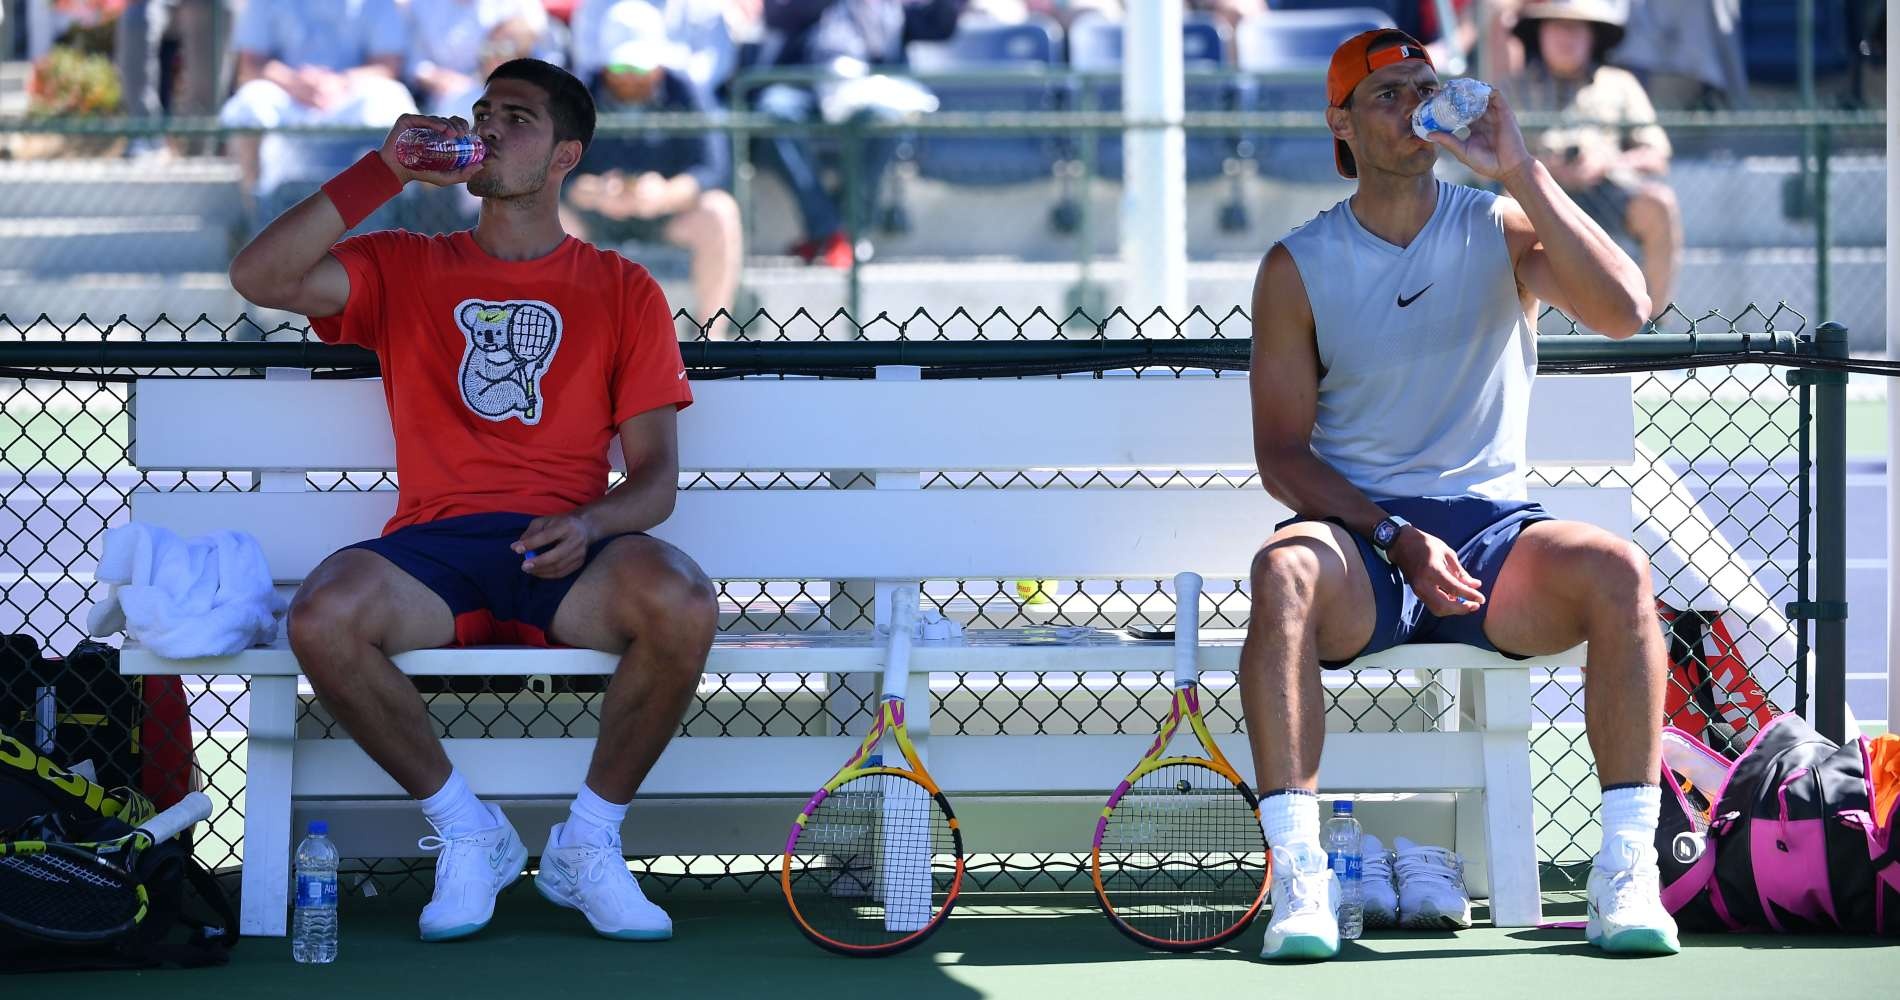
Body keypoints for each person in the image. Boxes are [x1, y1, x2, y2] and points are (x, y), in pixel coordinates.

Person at [227, 57, 716, 943]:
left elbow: (654, 482)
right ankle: (468, 830)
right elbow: (259, 277)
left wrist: (592, 522)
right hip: (438, 547)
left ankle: (588, 845)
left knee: (681, 600)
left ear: (564, 154)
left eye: (516, 118)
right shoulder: (407, 264)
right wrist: (385, 171)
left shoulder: (623, 288)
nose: (486, 128)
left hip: (566, 550)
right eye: (481, 110)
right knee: (322, 618)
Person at [1243, 29, 1677, 961]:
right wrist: (1394, 533)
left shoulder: (1498, 223)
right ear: (1341, 125)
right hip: (1363, 544)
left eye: (1425, 89)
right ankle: (1300, 880)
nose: (1413, 109)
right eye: (1388, 94)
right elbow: (1282, 456)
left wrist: (1517, 164)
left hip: (1494, 543)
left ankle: (1624, 875)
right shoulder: (1297, 264)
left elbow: (1625, 308)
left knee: (1619, 572)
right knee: (1281, 572)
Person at [566, 0, 743, 339]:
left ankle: (712, 337)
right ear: (604, 64)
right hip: (595, 217)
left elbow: (714, 168)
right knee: (551, 219)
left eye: (640, 67)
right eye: (620, 68)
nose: (630, 78)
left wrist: (666, 194)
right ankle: (562, 338)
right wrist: (589, 191)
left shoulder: (685, 91)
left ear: (659, 64)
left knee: (720, 212)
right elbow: (550, 169)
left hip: (667, 216)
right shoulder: (575, 96)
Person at [1502, 0, 1682, 320]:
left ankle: (1654, 325)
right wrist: (1541, 168)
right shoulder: (1513, 87)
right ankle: (1511, 325)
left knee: (1660, 204)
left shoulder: (1620, 83)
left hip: (1608, 194)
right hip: (1537, 196)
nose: (1565, 37)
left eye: (1576, 28)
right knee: (1502, 208)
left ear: (1592, 36)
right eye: (1557, 26)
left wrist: (1607, 161)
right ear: (1540, 34)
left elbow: (1657, 153)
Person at [217, 0, 418, 225]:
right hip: (287, 96)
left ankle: (394, 219)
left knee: (392, 99)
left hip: (349, 95)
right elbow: (250, 64)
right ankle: (254, 213)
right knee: (250, 105)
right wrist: (295, 83)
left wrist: (340, 82)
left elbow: (387, 64)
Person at [405, 0, 552, 118]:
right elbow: (415, 66)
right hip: (446, 100)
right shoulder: (420, 4)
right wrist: (443, 80)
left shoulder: (521, 5)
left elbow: (537, 47)